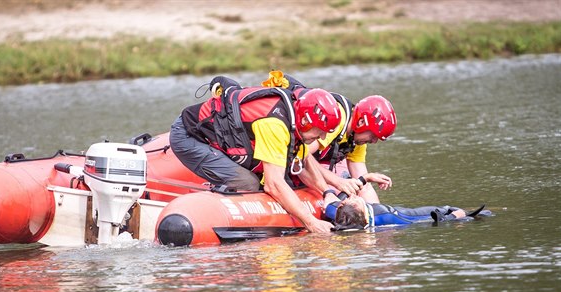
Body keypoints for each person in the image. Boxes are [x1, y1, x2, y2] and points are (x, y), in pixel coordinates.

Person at [170, 75, 343, 233]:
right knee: (249, 183)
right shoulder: (274, 124)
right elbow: (273, 184)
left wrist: (327, 192)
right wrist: (311, 222)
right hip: (189, 136)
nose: (321, 138)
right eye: (320, 131)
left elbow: (301, 165)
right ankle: (210, 207)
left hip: (213, 136)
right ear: (305, 121)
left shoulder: (294, 123)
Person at [260, 70, 397, 203]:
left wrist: (376, 213)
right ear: (361, 122)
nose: (373, 141)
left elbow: (364, 186)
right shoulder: (335, 122)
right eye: (373, 135)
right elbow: (300, 156)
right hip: (278, 148)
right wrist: (337, 183)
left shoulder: (357, 139)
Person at [321, 173, 489, 229]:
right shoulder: (387, 216)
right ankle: (466, 214)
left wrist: (366, 178)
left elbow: (329, 198)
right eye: (356, 201)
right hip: (404, 214)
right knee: (445, 209)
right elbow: (420, 221)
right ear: (363, 212)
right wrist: (453, 218)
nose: (354, 196)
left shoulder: (335, 212)